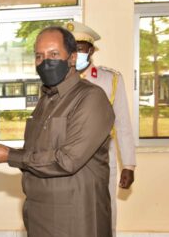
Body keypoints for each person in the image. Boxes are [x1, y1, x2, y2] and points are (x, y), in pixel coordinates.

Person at [0, 26, 115, 237]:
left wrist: (9, 155)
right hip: (38, 213)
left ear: (72, 58)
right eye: (39, 56)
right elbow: (37, 152)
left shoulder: (90, 98)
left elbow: (67, 160)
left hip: (76, 217)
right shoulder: (46, 99)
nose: (45, 61)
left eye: (54, 54)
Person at [65, 21, 136, 236]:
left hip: (103, 159)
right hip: (66, 161)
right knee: (69, 214)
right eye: (71, 49)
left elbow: (122, 123)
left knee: (104, 213)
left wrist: (129, 165)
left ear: (92, 50)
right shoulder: (58, 80)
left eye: (80, 48)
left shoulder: (110, 80)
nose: (76, 54)